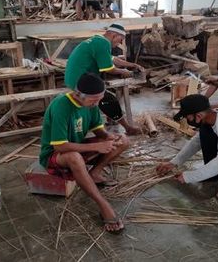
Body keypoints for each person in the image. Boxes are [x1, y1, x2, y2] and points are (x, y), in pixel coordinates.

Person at [39, 73, 129, 232]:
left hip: (77, 146)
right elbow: (59, 147)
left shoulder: (91, 105)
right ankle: (103, 205)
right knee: (74, 157)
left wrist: (108, 136)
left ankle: (94, 173)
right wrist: (96, 147)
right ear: (78, 94)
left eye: (99, 99)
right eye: (94, 100)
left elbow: (97, 128)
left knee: (124, 140)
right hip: (54, 155)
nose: (97, 103)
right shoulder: (61, 105)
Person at [65, 23, 145, 135]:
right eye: (120, 39)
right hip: (79, 81)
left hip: (74, 78)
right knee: (108, 99)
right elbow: (109, 69)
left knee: (105, 93)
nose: (119, 43)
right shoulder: (103, 43)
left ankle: (112, 119)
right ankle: (127, 128)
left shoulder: (98, 40)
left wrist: (132, 65)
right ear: (114, 35)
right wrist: (128, 73)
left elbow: (113, 59)